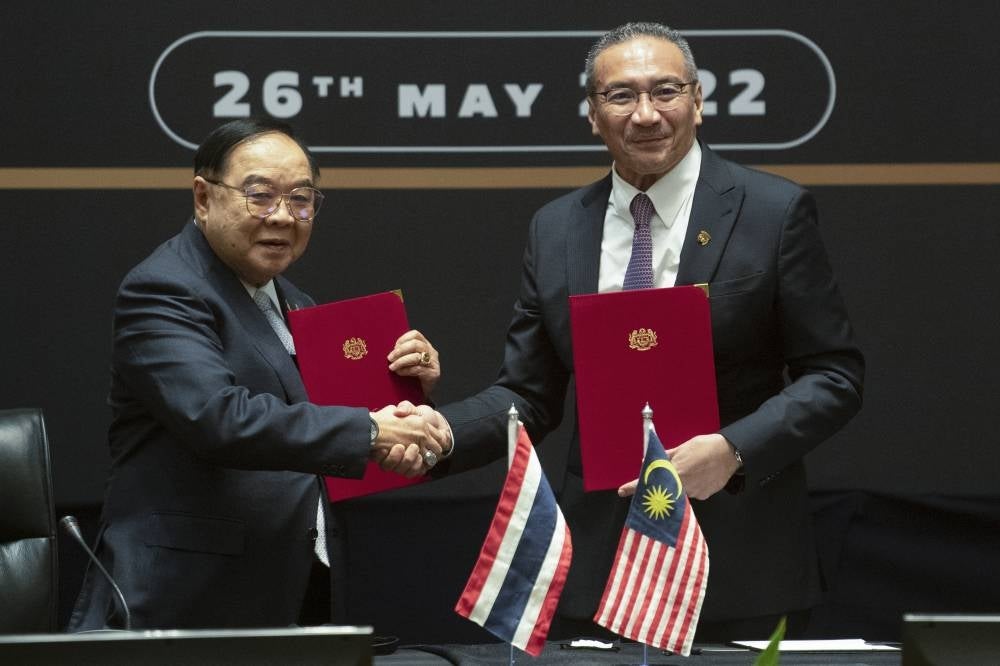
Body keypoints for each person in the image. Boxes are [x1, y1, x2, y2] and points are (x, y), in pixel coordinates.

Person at [440, 22, 864, 641]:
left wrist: (734, 450)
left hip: (739, 556)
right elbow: (527, 394)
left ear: (698, 101)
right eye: (620, 96)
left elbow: (835, 375)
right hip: (602, 566)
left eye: (665, 91)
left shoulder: (773, 212)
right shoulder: (555, 228)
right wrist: (439, 431)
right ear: (591, 114)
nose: (646, 114)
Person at [68, 118, 453, 630]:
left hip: (287, 584)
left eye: (301, 199)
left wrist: (402, 391)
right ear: (203, 199)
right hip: (186, 600)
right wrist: (374, 430)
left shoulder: (293, 300)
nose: (283, 216)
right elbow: (218, 419)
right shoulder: (163, 289)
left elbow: (321, 434)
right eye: (260, 195)